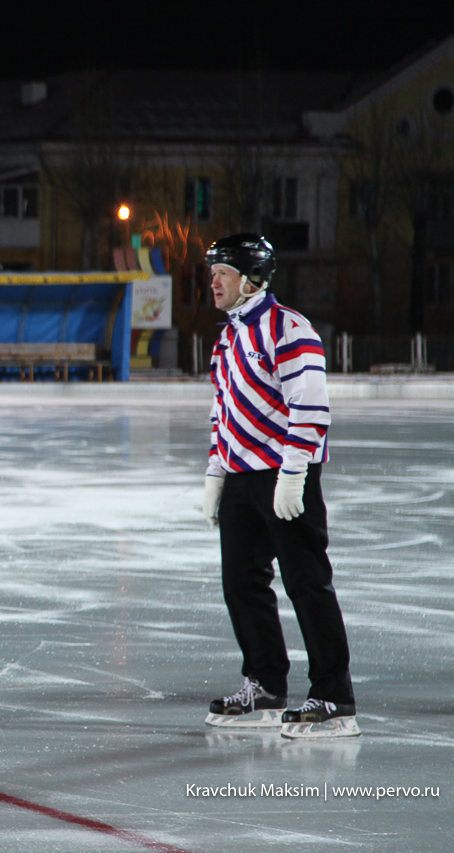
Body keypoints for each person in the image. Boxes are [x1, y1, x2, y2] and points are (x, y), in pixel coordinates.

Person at [200, 233, 358, 740]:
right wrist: (215, 473)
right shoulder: (227, 337)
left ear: (250, 279)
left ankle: (334, 696)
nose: (213, 282)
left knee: (307, 583)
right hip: (242, 477)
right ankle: (265, 684)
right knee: (241, 583)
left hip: (285, 475)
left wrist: (294, 472)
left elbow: (310, 407)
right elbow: (222, 412)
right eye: (213, 273)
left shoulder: (288, 329)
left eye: (222, 273)